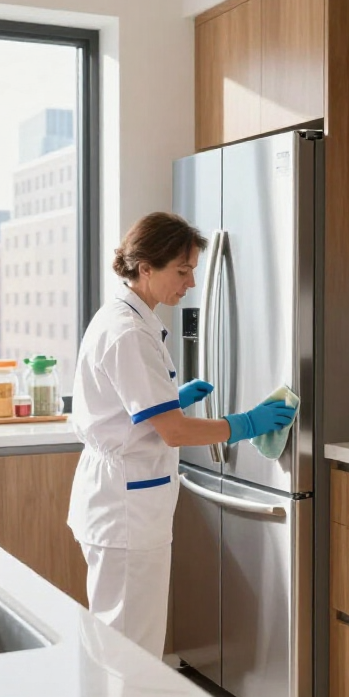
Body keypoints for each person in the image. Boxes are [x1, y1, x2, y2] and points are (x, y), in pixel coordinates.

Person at [67, 211, 296, 657]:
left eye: (193, 270)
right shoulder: (129, 332)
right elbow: (171, 433)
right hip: (126, 508)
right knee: (131, 647)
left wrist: (173, 396)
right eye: (183, 270)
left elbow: (132, 408)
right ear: (145, 267)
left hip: (120, 499)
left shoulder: (124, 317)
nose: (190, 283)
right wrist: (243, 424)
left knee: (117, 638)